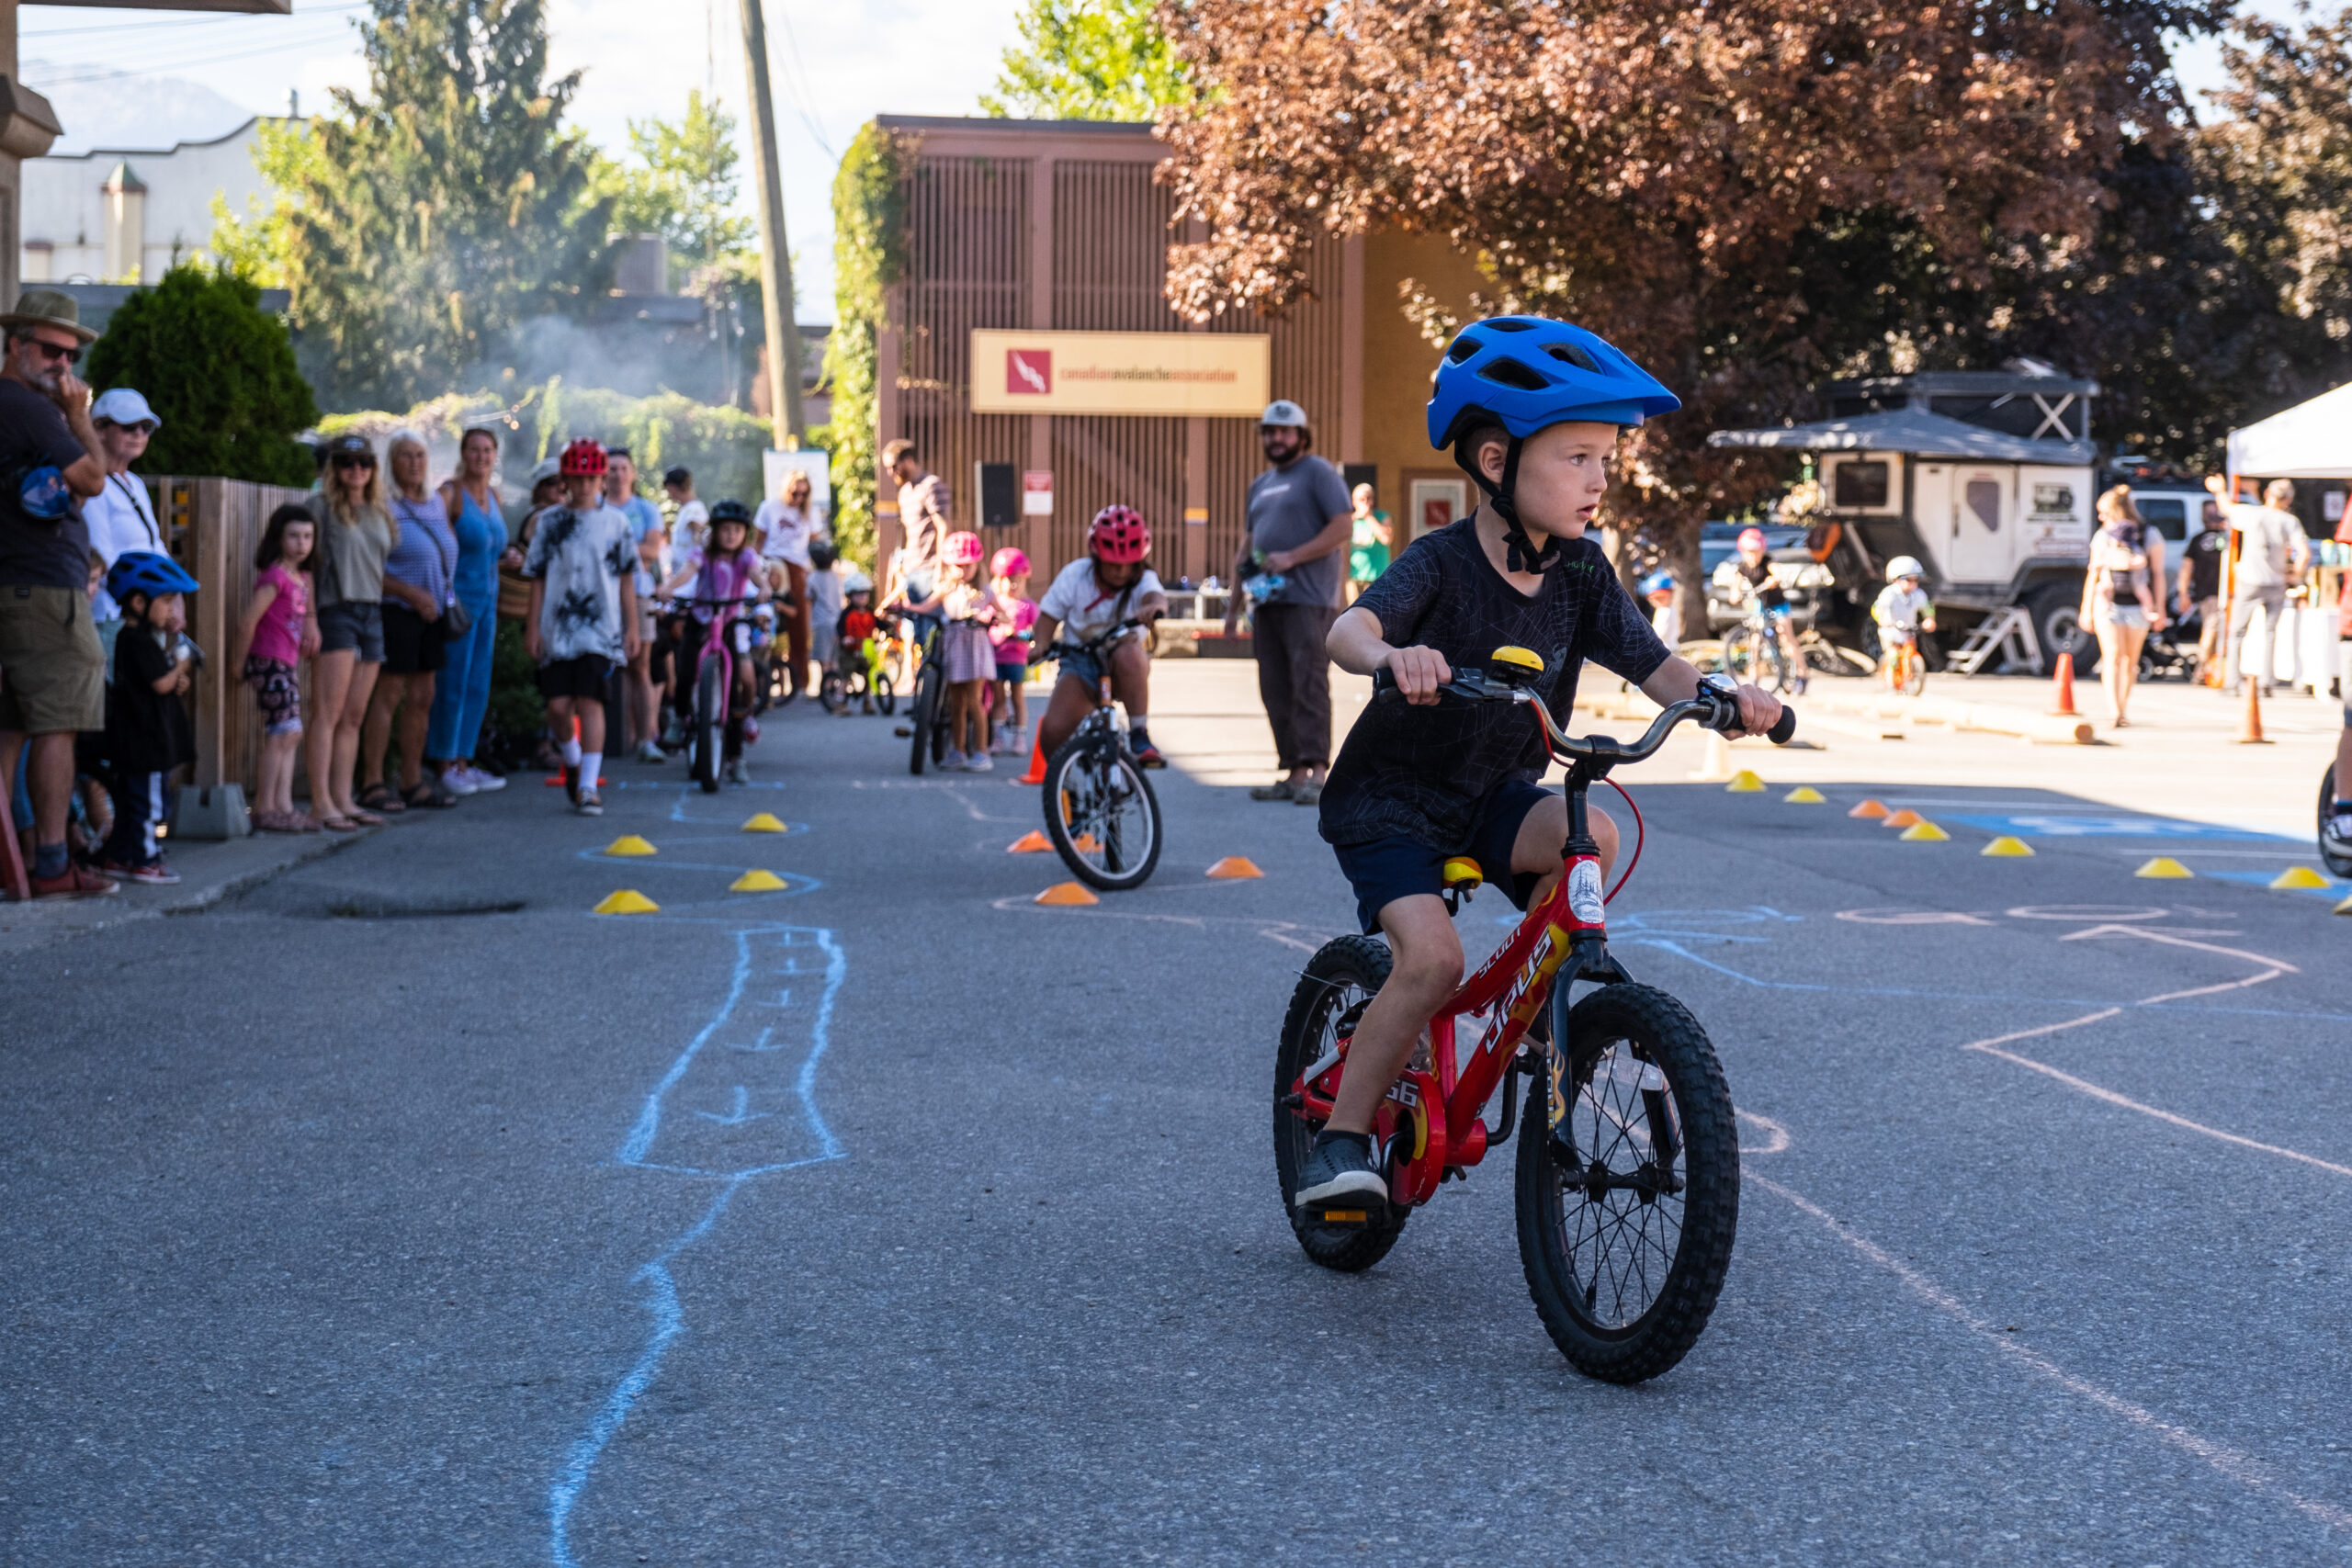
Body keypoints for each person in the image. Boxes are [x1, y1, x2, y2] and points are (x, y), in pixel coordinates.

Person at [1300, 314, 1781, 1209]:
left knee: (1589, 828)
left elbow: (1653, 663)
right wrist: (1390, 659)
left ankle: (1541, 1002)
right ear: (1495, 462)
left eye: (1606, 457)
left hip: (1494, 792)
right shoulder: (1440, 563)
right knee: (1432, 962)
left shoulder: (1582, 574)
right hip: (1392, 804)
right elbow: (1346, 628)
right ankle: (1337, 1142)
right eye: (1577, 457)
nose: (1600, 478)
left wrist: (1723, 698)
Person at [0, 288, 112, 897]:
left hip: (19, 584)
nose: (63, 366)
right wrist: (77, 417)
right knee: (57, 725)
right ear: (16, 346)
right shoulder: (33, 409)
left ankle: (18, 862)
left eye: (71, 356)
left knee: (13, 727)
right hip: (42, 590)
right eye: (50, 350)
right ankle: (50, 863)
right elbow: (94, 477)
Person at [1225, 400, 1352, 805]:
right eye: (1269, 431)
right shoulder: (1259, 485)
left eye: (1284, 431)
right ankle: (1294, 773)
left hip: (1307, 601)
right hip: (1266, 603)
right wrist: (1231, 607)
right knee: (1275, 688)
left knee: (1308, 684)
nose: (1276, 438)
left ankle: (1317, 773)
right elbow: (1247, 545)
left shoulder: (1318, 473)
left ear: (1301, 435)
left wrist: (1293, 557)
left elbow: (1343, 525)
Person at [523, 439, 639, 817]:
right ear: (565, 480)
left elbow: (626, 579)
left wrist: (631, 626)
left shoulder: (616, 523)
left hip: (600, 627)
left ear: (602, 479)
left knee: (591, 701)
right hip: (557, 626)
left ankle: (589, 785)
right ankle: (571, 759)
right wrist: (532, 627)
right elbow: (537, 577)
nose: (585, 485)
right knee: (557, 708)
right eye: (577, 477)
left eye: (592, 478)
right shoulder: (550, 523)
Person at [361, 431, 457, 813]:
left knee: (423, 697)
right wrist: (409, 593)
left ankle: (412, 780)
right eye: (405, 456)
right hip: (396, 609)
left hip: (432, 613)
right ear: (392, 462)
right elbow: (368, 568)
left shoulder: (436, 501)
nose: (414, 463)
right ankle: (372, 783)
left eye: (419, 455)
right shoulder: (382, 504)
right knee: (387, 696)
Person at [1033, 505, 1170, 770]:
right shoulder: (1076, 575)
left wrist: (1152, 608)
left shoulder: (1145, 579)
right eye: (1112, 565)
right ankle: (1066, 786)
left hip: (1122, 664)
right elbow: (1048, 616)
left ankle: (1139, 733)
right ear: (1096, 556)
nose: (1119, 572)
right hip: (1080, 662)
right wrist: (1041, 644)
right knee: (1051, 733)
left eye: (1127, 566)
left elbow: (1155, 596)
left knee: (1131, 654)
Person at [306, 434, 398, 829]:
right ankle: (320, 802)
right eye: (346, 462)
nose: (356, 470)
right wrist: (309, 617)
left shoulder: (380, 510)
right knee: (328, 712)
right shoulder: (319, 507)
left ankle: (345, 798)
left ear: (373, 469)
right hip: (335, 608)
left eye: (364, 463)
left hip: (373, 610)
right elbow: (305, 568)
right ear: (334, 467)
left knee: (355, 714)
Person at [96, 550, 197, 884]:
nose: (171, 610)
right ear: (139, 602)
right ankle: (146, 860)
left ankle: (120, 856)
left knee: (130, 803)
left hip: (135, 740)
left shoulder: (135, 639)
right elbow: (159, 682)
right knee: (149, 806)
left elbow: (157, 683)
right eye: (166, 601)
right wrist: (182, 664)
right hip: (145, 743)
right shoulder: (138, 641)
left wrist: (173, 679)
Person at [428, 426, 514, 795]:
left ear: (496, 455)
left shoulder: (493, 496)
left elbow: (492, 548)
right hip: (458, 603)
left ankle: (465, 761)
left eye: (487, 450)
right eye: (474, 450)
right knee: (452, 683)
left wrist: (509, 557)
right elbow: (431, 542)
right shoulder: (450, 494)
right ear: (464, 454)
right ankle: (444, 762)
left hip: (489, 602)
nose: (481, 456)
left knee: (478, 683)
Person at [656, 498, 767, 784]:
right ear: (714, 531)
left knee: (732, 695)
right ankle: (681, 718)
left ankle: (735, 758)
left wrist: (765, 588)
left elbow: (757, 575)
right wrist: (668, 587)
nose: (731, 535)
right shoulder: (702, 555)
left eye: (737, 530)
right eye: (725, 529)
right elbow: (686, 573)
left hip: (727, 625)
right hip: (700, 620)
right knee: (685, 672)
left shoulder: (746, 558)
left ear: (745, 534)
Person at [234, 503, 320, 833]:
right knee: (282, 732)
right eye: (294, 536)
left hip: (286, 662)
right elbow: (248, 621)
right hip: (269, 661)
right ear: (279, 538)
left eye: (307, 537)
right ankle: (265, 807)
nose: (301, 543)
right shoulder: (275, 577)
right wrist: (238, 664)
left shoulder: (300, 577)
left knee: (291, 731)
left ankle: (283, 806)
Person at [81, 387, 164, 674]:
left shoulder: (136, 485)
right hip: (111, 616)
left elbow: (155, 544)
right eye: (129, 426)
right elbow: (101, 556)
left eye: (146, 427)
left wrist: (171, 597)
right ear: (99, 428)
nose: (139, 434)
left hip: (145, 614)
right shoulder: (92, 487)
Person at [601, 446, 667, 763]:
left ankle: (645, 739)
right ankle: (604, 739)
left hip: (639, 593)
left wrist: (611, 547)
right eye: (611, 468)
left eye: (622, 468)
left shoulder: (646, 509)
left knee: (639, 666)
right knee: (600, 665)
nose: (617, 474)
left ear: (633, 472)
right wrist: (631, 549)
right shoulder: (595, 506)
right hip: (600, 593)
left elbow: (652, 551)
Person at [2079, 485, 2163, 728]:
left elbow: (2157, 573)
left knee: (2130, 661)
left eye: (2104, 513)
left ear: (2116, 510)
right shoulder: (2103, 536)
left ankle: (2122, 707)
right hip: (2108, 602)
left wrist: (2159, 608)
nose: (2100, 518)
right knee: (2113, 656)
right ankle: (2114, 710)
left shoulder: (2148, 534)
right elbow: (2093, 572)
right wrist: (2086, 608)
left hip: (2137, 604)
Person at [2222, 478, 2310, 697]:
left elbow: (2225, 507)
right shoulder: (2288, 520)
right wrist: (2294, 575)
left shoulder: (2252, 514)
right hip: (2275, 581)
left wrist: (2218, 489)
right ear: (2288, 499)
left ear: (2267, 494)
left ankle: (2233, 681)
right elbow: (2304, 553)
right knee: (2270, 633)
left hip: (2250, 580)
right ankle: (2265, 682)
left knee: (2237, 632)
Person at [1723, 525, 1809, 695]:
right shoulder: (1742, 567)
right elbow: (1735, 588)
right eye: (1749, 551)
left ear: (1762, 550)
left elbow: (1777, 573)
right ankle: (1754, 681)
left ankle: (1802, 674)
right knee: (1755, 641)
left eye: (1756, 551)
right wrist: (1735, 596)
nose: (1753, 555)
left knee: (1785, 634)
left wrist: (1773, 579)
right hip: (1759, 604)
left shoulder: (1767, 561)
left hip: (1777, 604)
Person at [880, 439, 951, 643]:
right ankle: (912, 675)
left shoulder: (931, 486)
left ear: (909, 461)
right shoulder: (904, 492)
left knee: (930, 634)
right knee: (910, 635)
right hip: (912, 570)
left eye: (893, 466)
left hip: (930, 569)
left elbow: (943, 526)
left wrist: (941, 567)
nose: (890, 472)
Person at [757, 468, 818, 701]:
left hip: (797, 568)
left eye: (804, 494)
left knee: (799, 624)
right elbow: (758, 542)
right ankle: (764, 679)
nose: (799, 498)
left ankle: (800, 681)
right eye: (795, 493)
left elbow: (814, 544)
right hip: (773, 565)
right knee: (767, 618)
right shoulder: (769, 508)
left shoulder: (809, 512)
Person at [988, 546, 1036, 755]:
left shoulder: (1028, 606)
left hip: (1017, 658)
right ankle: (997, 736)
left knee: (1017, 697)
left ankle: (1020, 735)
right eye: (1008, 579)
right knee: (998, 698)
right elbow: (986, 623)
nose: (1013, 584)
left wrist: (1021, 635)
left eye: (1018, 579)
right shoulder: (995, 603)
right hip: (996, 657)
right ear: (998, 580)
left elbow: (1036, 633)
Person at [2177, 497, 2228, 684]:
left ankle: (2211, 668)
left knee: (2222, 630)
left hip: (2228, 592)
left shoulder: (2232, 538)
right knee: (2212, 627)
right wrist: (2183, 593)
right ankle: (2202, 667)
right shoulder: (2198, 540)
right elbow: (2186, 567)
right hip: (2209, 593)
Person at [1871, 556, 1937, 683]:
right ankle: (1890, 682)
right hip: (1891, 631)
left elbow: (1927, 607)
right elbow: (1877, 608)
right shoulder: (1889, 594)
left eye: (1915, 580)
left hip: (1908, 630)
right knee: (1893, 656)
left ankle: (1910, 677)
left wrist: (1929, 619)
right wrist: (1882, 619)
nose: (1913, 583)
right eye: (1908, 580)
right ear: (1895, 580)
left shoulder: (1918, 594)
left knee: (1910, 651)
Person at [835, 572, 879, 715]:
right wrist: (844, 638)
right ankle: (839, 703)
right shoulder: (847, 613)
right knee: (846, 676)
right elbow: (840, 628)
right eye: (858, 594)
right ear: (850, 596)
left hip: (865, 650)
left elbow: (878, 623)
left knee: (868, 674)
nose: (863, 597)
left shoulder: (869, 611)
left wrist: (890, 628)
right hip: (849, 651)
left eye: (865, 593)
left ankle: (867, 701)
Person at [1346, 481, 1393, 604]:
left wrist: (1369, 517)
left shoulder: (1382, 516)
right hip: (1354, 576)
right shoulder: (1349, 521)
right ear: (1354, 501)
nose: (1366, 502)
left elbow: (1386, 539)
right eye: (1362, 499)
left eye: (1368, 498)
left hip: (1377, 577)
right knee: (1353, 615)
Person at [1639, 570, 1679, 649]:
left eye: (1661, 598)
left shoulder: (1667, 611)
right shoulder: (1662, 610)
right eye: (1653, 599)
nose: (1657, 601)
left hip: (1668, 649)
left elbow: (1660, 634)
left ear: (1671, 594)